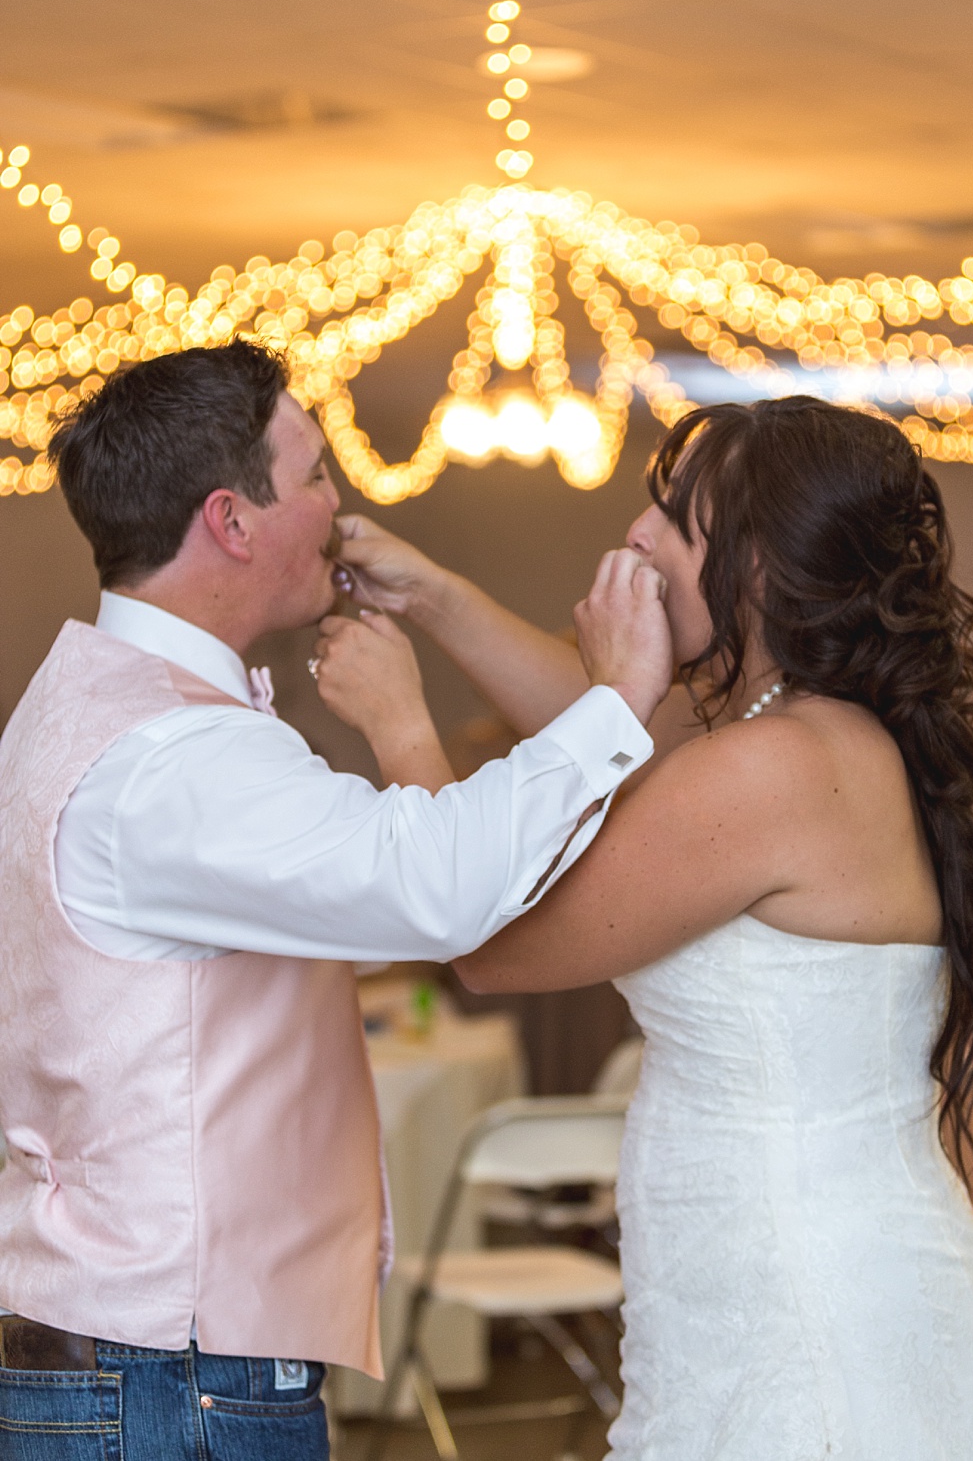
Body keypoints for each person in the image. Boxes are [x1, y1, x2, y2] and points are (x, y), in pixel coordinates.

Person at [0, 340, 670, 1461]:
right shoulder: (171, 755)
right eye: (314, 473)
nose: (339, 503)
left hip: (146, 1353)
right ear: (232, 518)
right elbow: (433, 885)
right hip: (176, 1369)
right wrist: (621, 699)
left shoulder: (95, 707)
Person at [331, 396, 973, 1460]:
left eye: (674, 517)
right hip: (786, 1278)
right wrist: (435, 595)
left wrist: (401, 727)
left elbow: (488, 943)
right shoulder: (798, 731)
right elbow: (610, 725)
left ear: (754, 566)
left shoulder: (765, 767)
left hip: (801, 1306)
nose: (636, 539)